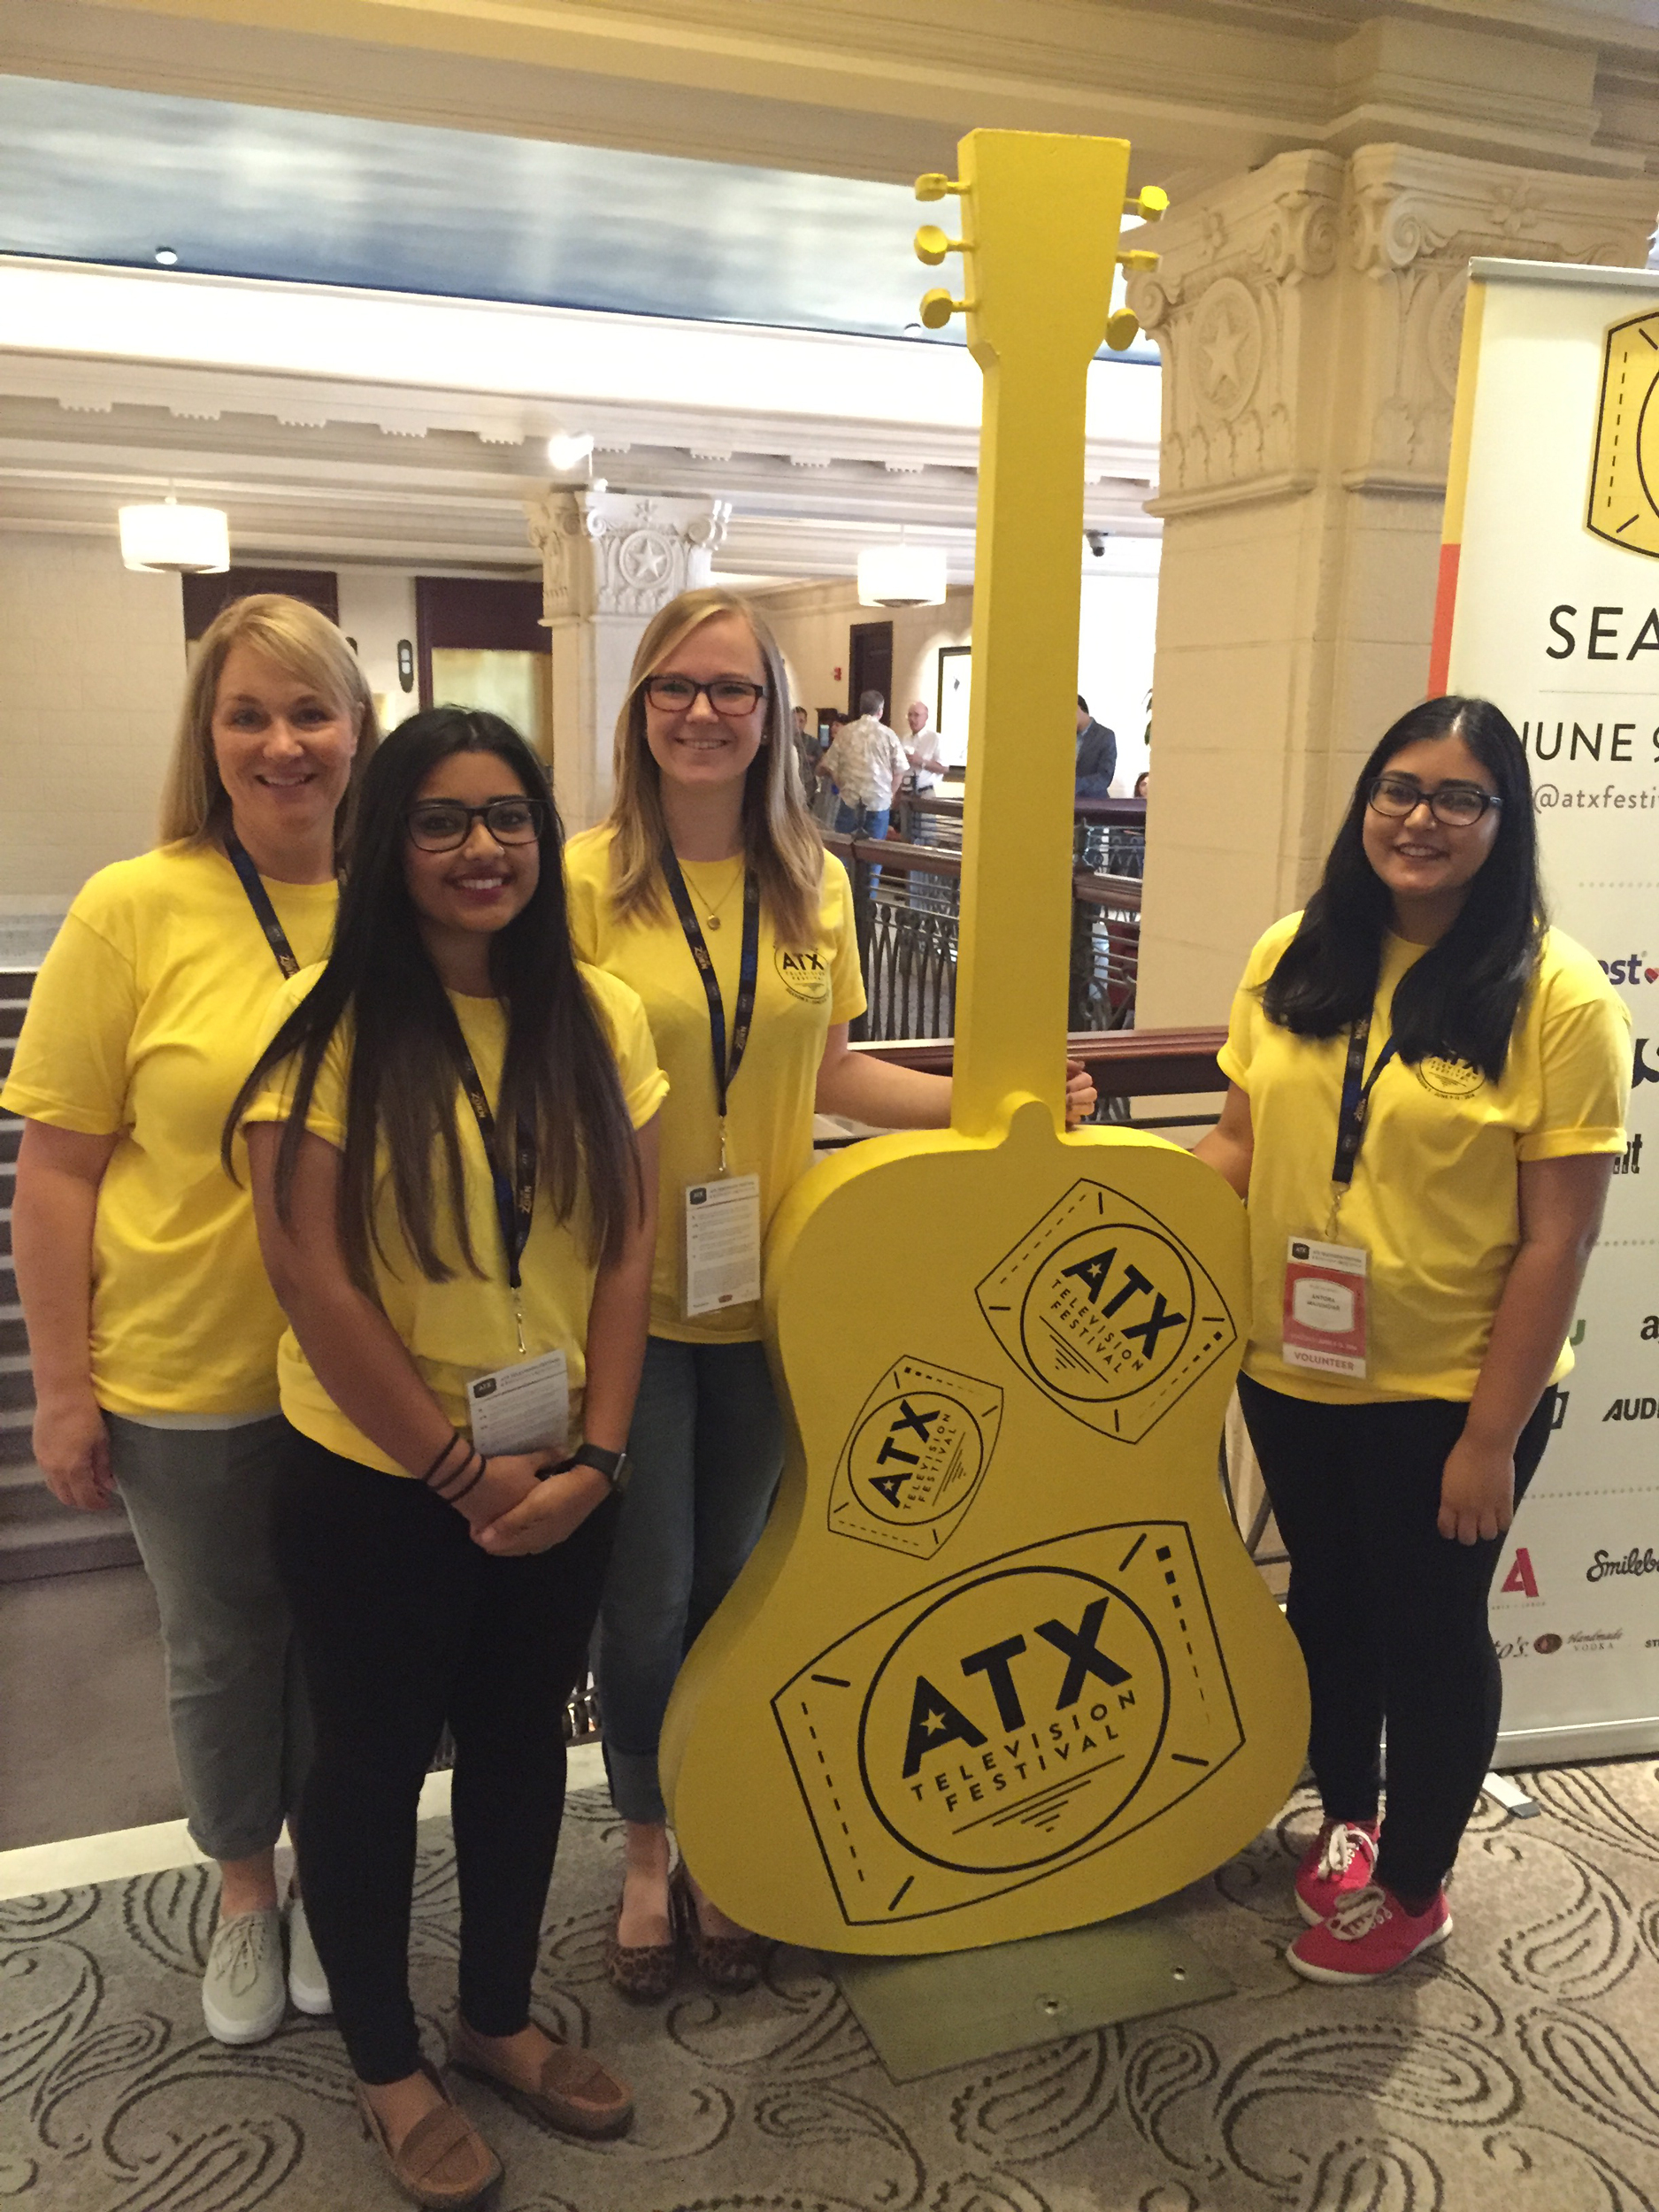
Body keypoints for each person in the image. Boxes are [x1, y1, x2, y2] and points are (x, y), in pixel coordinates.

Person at [565, 587, 1095, 2002]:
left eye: (731, 690)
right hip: (624, 1297)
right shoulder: (580, 883)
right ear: (640, 708)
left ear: (771, 715)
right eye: (676, 687)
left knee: (740, 1584)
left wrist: (998, 1107)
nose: (702, 713)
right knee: (645, 1596)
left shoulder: (816, 883)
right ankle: (644, 1849)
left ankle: (720, 1834)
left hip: (775, 1293)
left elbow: (836, 1073)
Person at [232, 709, 663, 2208]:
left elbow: (627, 1249)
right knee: (364, 1766)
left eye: (508, 818)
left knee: (522, 1747)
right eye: (440, 821)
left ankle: (493, 2019)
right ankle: (386, 2062)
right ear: (388, 846)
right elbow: (311, 1278)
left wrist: (598, 1456)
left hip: (561, 1467)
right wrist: (457, 1475)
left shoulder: (596, 1015)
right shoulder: (328, 1025)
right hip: (378, 1480)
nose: (482, 848)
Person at [1195, 695, 1628, 1985]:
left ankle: (1416, 1883)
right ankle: (1349, 1813)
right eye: (1399, 788)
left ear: (1504, 820)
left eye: (1458, 797)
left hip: (1450, 1388)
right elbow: (1238, 1142)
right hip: (1291, 1367)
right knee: (1327, 1600)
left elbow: (1558, 1241)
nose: (1419, 819)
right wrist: (1107, 1185)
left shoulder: (1555, 994)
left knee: (1433, 1629)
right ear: (1365, 802)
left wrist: (1489, 1437)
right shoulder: (1294, 951)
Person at [4, 594, 377, 2046]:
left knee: (349, 1643)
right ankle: (242, 1891)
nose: (283, 744)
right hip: (188, 1367)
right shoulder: (135, 906)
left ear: (357, 728)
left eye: (310, 711)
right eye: (248, 715)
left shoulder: (409, 901)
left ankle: (333, 1876)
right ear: (207, 737)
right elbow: (56, 1169)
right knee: (222, 1647)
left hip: (376, 1369)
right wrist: (62, 1388)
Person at [823, 687, 909, 848]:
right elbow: (900, 770)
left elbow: (831, 765)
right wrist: (889, 794)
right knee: (874, 853)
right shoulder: (888, 735)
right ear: (880, 711)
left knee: (844, 850)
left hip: (849, 801)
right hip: (878, 803)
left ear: (861, 708)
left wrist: (842, 787)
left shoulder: (845, 732)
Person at [1075, 694, 1118, 796]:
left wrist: (1075, 785)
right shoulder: (1062, 736)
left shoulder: (1105, 736)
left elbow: (1105, 777)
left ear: (1078, 709)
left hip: (1093, 801)